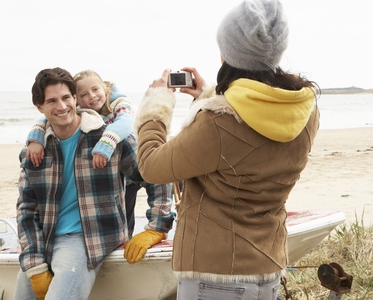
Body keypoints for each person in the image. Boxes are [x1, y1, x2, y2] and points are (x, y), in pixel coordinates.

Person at [133, 0, 320, 299]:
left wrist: (156, 105)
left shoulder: (218, 123)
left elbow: (151, 165)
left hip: (216, 272)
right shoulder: (305, 111)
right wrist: (207, 98)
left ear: (227, 52)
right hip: (268, 264)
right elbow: (241, 148)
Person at [14, 67, 175, 300]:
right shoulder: (34, 152)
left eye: (66, 98)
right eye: (52, 101)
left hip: (87, 240)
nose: (61, 106)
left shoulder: (109, 138)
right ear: (40, 107)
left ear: (75, 99)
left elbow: (155, 174)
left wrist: (157, 228)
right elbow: (26, 210)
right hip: (44, 238)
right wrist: (35, 264)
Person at [26, 70, 141, 237]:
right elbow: (46, 117)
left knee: (125, 213)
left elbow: (125, 122)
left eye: (96, 90)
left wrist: (106, 142)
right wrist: (36, 138)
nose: (92, 96)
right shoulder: (77, 114)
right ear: (77, 99)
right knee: (123, 210)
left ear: (105, 88)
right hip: (115, 176)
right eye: (84, 94)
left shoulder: (118, 103)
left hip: (128, 164)